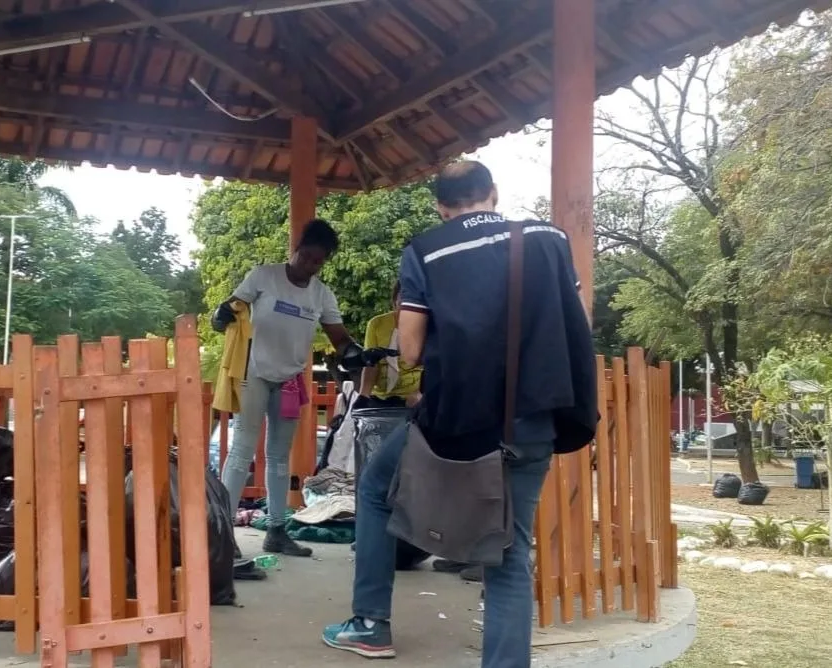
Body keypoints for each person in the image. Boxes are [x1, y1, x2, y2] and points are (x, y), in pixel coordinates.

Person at [321, 161, 598, 666]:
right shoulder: (549, 239)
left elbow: (408, 350)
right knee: (510, 554)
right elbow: (578, 323)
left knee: (375, 490)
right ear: (493, 192)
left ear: (441, 207)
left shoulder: (427, 250)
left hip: (459, 428)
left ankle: (370, 625)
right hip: (534, 421)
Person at [212, 218, 366, 558]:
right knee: (242, 451)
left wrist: (358, 354)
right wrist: (219, 316)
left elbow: (340, 339)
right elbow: (230, 309)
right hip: (254, 373)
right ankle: (221, 532)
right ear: (296, 248)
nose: (310, 266)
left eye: (319, 261)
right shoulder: (263, 277)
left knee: (279, 458)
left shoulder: (321, 294)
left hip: (290, 380)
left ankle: (277, 530)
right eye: (307, 256)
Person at [356, 282, 422, 409]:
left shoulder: (429, 326)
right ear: (395, 299)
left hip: (415, 399)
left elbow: (436, 368)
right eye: (403, 296)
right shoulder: (376, 324)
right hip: (380, 397)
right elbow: (371, 364)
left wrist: (421, 394)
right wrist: (363, 396)